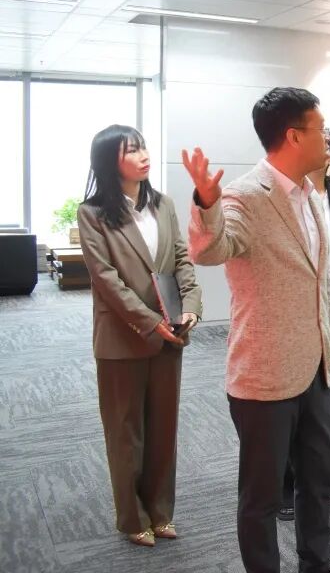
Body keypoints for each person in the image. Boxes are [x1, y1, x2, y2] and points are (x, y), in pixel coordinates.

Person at [184, 87, 330, 573]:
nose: (327, 138)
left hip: (317, 370)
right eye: (320, 129)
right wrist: (206, 202)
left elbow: (323, 282)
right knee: (261, 498)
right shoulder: (244, 195)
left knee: (317, 482)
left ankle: (316, 563)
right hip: (264, 376)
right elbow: (211, 248)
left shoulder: (313, 195)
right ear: (294, 136)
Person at [78, 124, 202, 548]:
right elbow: (106, 279)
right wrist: (150, 321)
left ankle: (161, 512)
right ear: (108, 161)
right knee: (126, 433)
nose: (143, 155)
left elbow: (182, 259)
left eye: (143, 147)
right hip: (123, 337)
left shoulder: (163, 204)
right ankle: (132, 517)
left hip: (170, 333)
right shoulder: (92, 213)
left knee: (163, 429)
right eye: (131, 150)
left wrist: (191, 305)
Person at [280, 131, 330, 520]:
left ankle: (328, 481)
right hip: (292, 313)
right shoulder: (286, 196)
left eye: (327, 142)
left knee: (324, 404)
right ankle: (286, 487)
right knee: (289, 403)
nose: (320, 147)